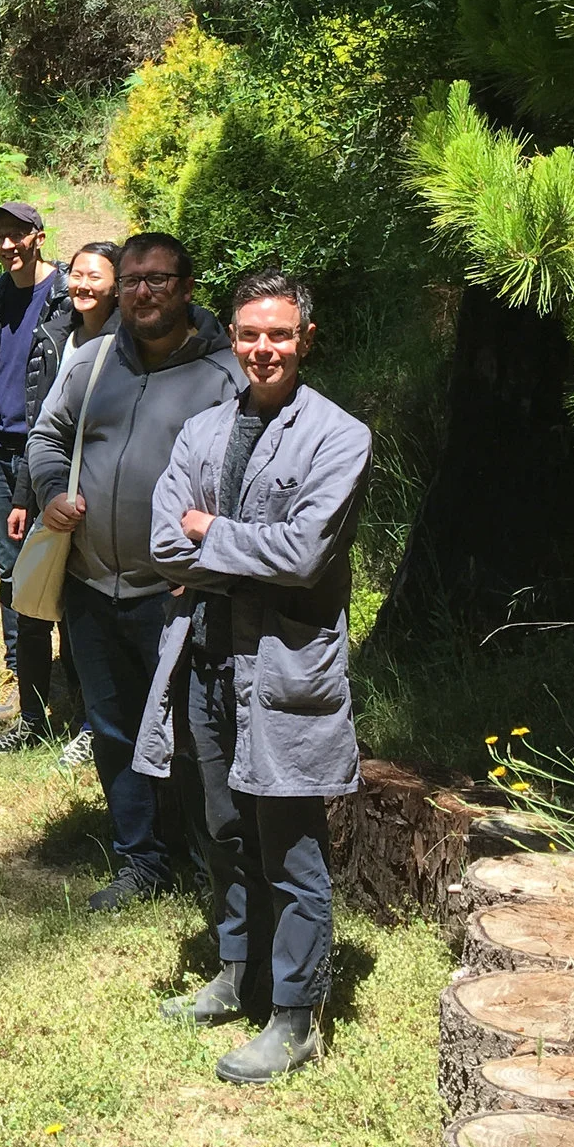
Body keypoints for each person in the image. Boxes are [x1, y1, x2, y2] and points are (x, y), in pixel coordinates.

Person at [133, 268, 370, 1082]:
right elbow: (163, 541)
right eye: (248, 334)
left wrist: (212, 536)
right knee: (224, 831)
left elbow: (305, 555)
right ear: (230, 338)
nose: (261, 349)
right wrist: (229, 547)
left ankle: (296, 1016)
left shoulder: (340, 436)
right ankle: (239, 974)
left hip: (283, 669)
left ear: (306, 338)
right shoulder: (201, 431)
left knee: (290, 847)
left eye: (278, 334)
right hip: (201, 658)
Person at [27, 231, 244, 909]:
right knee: (116, 729)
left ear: (186, 287)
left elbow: (253, 478)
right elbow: (46, 436)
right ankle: (141, 860)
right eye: (133, 280)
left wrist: (211, 561)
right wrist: (51, 491)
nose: (144, 291)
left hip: (179, 593)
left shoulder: (227, 375)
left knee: (191, 732)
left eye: (160, 279)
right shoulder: (91, 362)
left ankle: (210, 863)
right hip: (91, 583)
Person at [0, 240, 121, 755]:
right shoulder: (56, 335)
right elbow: (41, 426)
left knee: (85, 605)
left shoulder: (124, 344)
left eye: (96, 277)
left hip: (95, 492)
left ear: (117, 286)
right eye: (79, 274)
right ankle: (33, 719)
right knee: (32, 596)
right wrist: (26, 494)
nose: (84, 285)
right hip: (47, 485)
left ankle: (91, 724)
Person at [0, 202, 61, 731]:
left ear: (38, 236)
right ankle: (20, 679)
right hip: (2, 451)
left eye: (16, 235)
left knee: (64, 569)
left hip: (50, 452)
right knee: (12, 572)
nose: (7, 245)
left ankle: (73, 682)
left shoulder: (65, 296)